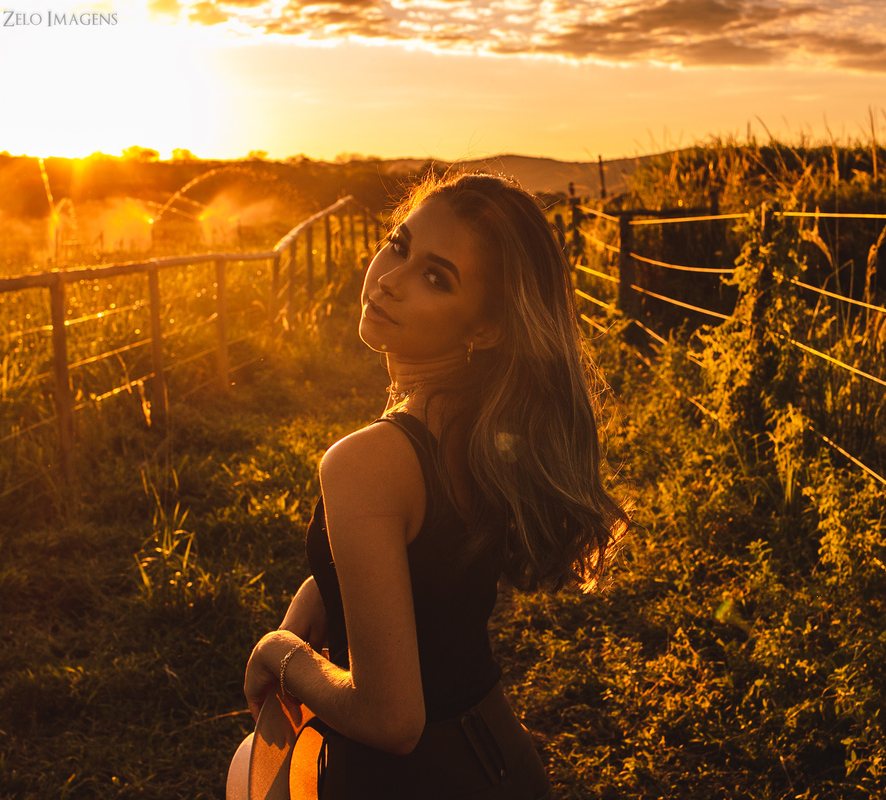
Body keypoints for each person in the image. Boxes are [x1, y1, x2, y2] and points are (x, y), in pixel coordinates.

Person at [233, 172, 629, 799]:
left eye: (436, 277)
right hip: (505, 761)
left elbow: (392, 719)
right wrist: (330, 584)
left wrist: (279, 653)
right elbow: (438, 578)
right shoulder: (490, 435)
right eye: (399, 245)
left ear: (484, 329)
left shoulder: (365, 463)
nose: (390, 278)